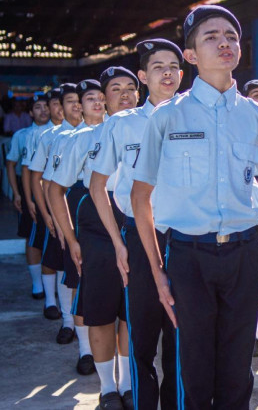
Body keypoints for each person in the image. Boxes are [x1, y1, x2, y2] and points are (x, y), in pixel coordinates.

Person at [131, 5, 258, 409]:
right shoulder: (167, 116)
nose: (224, 43)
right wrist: (157, 270)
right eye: (211, 37)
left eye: (232, 37)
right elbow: (139, 196)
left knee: (239, 369)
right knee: (193, 369)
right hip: (188, 255)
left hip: (242, 254)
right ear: (190, 56)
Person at [90, 43, 183, 410]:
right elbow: (98, 187)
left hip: (186, 237)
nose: (167, 73)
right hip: (139, 236)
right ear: (143, 77)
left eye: (174, 66)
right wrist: (117, 241)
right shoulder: (122, 124)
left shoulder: (193, 118)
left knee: (180, 337)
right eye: (158, 67)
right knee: (142, 337)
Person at [47, 78, 134, 408]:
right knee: (100, 311)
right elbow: (55, 189)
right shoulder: (84, 138)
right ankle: (107, 387)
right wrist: (70, 239)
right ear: (104, 102)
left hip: (139, 221)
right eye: (114, 91)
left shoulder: (150, 127)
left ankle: (127, 384)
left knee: (131, 310)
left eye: (129, 89)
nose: (123, 95)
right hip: (97, 226)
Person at [29, 83, 84, 323]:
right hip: (61, 207)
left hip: (90, 210)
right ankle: (67, 321)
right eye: (69, 101)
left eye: (77, 100)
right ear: (60, 107)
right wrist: (48, 215)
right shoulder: (52, 137)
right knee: (63, 265)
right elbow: (42, 179)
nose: (75, 106)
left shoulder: (102, 130)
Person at [20, 89, 61, 298]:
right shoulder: (37, 135)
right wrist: (29, 200)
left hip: (67, 200)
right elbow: (29, 171)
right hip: (43, 198)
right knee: (42, 243)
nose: (47, 110)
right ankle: (47, 296)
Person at [6, 96, 47, 297]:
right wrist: (16, 192)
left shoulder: (58, 133)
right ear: (31, 113)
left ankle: (52, 284)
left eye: (46, 106)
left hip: (52, 186)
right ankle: (37, 284)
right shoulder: (22, 135)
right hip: (28, 188)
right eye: (37, 108)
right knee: (32, 235)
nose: (43, 111)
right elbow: (11, 164)